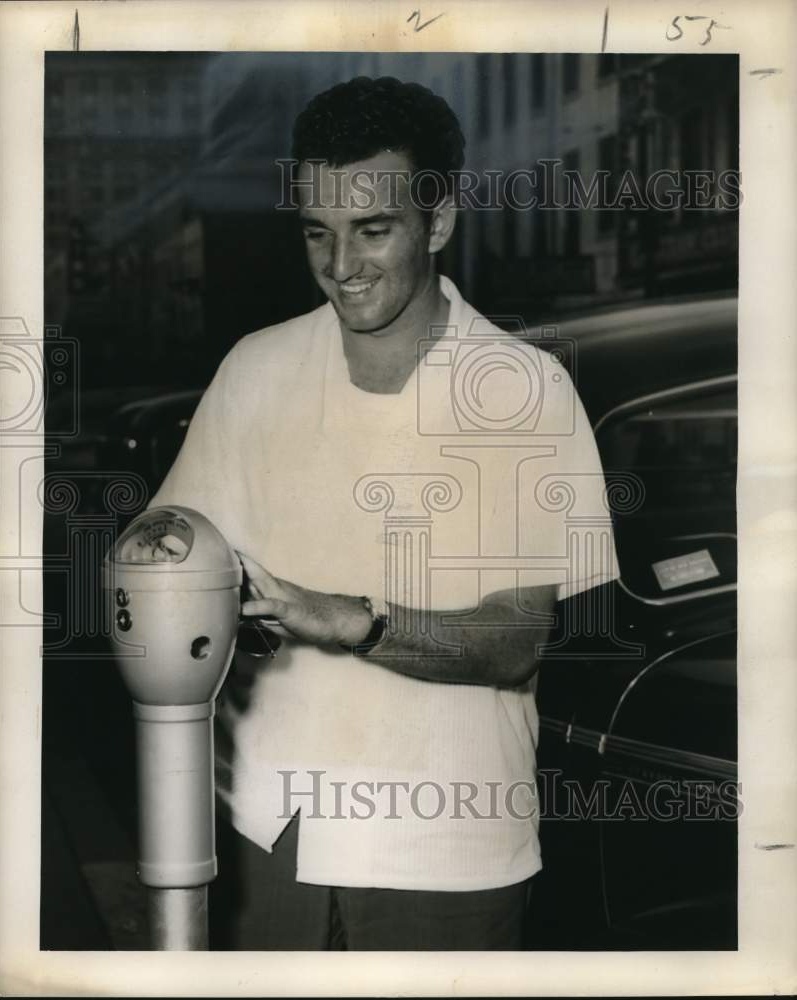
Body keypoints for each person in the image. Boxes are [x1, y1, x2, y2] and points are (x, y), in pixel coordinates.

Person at [150, 76, 618, 950]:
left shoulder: (521, 391)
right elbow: (173, 554)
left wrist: (349, 622)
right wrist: (170, 572)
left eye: (373, 231)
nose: (340, 266)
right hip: (270, 833)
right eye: (317, 234)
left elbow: (516, 638)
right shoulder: (255, 368)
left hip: (444, 851)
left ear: (437, 223)